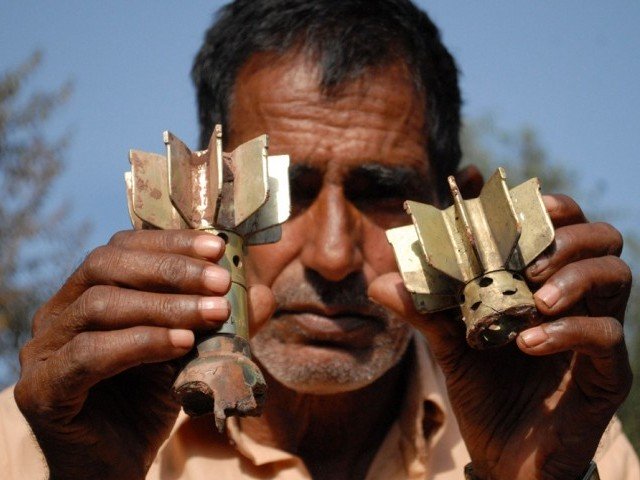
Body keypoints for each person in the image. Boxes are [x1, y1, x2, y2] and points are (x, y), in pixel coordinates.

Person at [1, 1, 638, 478]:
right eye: (285, 194)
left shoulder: (559, 432)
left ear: (459, 212)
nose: (334, 255)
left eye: (381, 191)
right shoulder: (40, 436)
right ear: (204, 199)